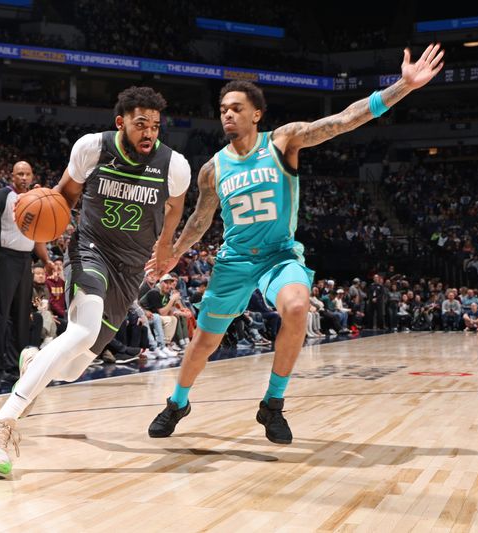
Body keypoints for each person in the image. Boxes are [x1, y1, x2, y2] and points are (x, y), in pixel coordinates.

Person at [147, 43, 444, 444]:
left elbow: (342, 121)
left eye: (236, 108)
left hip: (278, 255)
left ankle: (272, 404)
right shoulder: (212, 168)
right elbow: (200, 220)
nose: (228, 114)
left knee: (297, 306)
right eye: (223, 109)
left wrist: (402, 88)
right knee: (204, 342)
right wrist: (172, 255)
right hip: (234, 260)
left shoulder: (282, 142)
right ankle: (177, 402)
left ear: (257, 114)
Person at [0, 86, 191, 475]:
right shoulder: (92, 148)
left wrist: (167, 244)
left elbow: (175, 206)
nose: (149, 133)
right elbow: (64, 197)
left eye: (155, 126)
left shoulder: (174, 165)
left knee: (71, 369)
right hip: (91, 250)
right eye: (141, 124)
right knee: (83, 330)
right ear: (121, 123)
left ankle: (35, 359)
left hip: (130, 269)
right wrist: (41, 216)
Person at [0, 161, 49, 390]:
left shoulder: (35, 200)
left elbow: (38, 237)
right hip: (4, 259)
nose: (23, 177)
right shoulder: (2, 197)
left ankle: (13, 368)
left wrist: (47, 261)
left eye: (27, 173)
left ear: (32, 176)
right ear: (12, 175)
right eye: (19, 173)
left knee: (21, 318)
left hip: (25, 260)